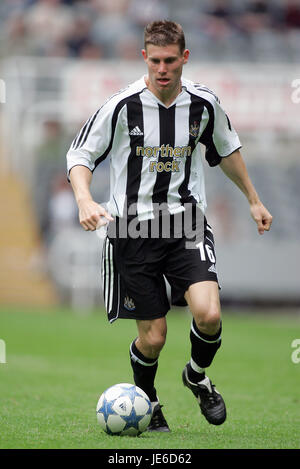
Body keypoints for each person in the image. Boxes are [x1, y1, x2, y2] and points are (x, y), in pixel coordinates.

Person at [66, 20, 272, 432]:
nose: (163, 69)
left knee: (209, 314)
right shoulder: (121, 105)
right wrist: (85, 199)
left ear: (184, 58)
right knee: (154, 338)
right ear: (145, 58)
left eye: (170, 61)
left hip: (186, 223)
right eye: (155, 60)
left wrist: (253, 199)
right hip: (131, 231)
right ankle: (151, 403)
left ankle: (196, 375)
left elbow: (227, 150)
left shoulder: (204, 103)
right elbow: (80, 155)